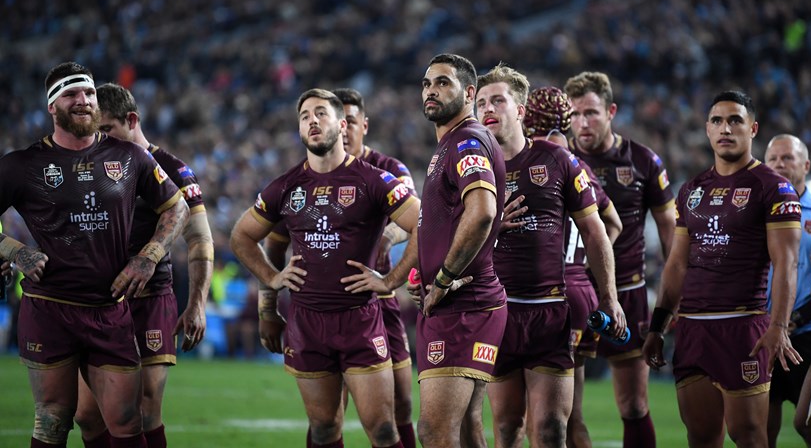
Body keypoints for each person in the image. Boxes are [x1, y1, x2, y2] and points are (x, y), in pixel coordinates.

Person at [0, 62, 189, 448]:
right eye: (70, 94)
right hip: (49, 308)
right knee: (53, 419)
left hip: (109, 309)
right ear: (52, 106)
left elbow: (177, 207)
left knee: (126, 420)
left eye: (88, 93)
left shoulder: (131, 157)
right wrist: (14, 250)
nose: (83, 100)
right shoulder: (22, 165)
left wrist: (149, 256)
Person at [229, 88, 420, 448]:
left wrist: (391, 281)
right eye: (304, 116)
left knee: (383, 428)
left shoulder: (374, 179)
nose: (312, 121)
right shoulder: (286, 186)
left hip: (360, 319)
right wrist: (271, 280)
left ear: (342, 125)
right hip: (307, 323)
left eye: (320, 113)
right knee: (323, 429)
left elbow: (422, 223)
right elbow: (243, 236)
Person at [342, 53, 508, 448]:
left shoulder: (465, 141)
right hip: (461, 303)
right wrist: (419, 275)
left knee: (434, 431)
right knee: (467, 429)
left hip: (464, 306)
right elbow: (441, 227)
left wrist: (444, 278)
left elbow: (482, 212)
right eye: (427, 83)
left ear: (469, 93)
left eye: (443, 83)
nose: (431, 91)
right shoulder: (451, 144)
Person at [643, 90, 803, 447]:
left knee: (749, 437)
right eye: (717, 121)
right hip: (693, 331)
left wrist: (778, 325)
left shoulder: (774, 188)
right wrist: (658, 326)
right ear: (707, 129)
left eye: (735, 121)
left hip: (743, 328)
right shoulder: (691, 190)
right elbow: (677, 264)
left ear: (753, 129)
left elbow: (787, 262)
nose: (725, 128)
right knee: (701, 437)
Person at [475, 66, 625, 447]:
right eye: (481, 102)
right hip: (496, 312)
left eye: (497, 100)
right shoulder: (471, 166)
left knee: (552, 429)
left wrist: (609, 297)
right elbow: (448, 239)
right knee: (508, 428)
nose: (487, 108)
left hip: (549, 312)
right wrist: (490, 227)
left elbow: (597, 230)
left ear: (521, 111)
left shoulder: (558, 159)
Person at [72, 82, 214, 448]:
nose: (100, 139)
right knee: (87, 415)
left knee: (144, 408)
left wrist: (197, 303)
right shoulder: (88, 165)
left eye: (108, 129)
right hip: (97, 302)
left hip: (148, 300)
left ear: (132, 120)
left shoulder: (174, 170)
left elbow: (200, 240)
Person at [564, 71, 675, 447]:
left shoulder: (643, 161)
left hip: (627, 293)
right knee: (566, 413)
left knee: (634, 405)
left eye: (591, 113)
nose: (582, 122)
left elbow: (670, 233)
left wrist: (674, 297)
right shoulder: (559, 159)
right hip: (575, 293)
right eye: (575, 114)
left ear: (611, 112)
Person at [522, 86, 623, 448]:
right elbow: (612, 223)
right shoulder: (577, 165)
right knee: (569, 416)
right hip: (580, 289)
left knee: (528, 419)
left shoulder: (523, 161)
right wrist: (584, 260)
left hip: (540, 292)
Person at [764, 133, 811, 448]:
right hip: (763, 333)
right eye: (772, 159)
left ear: (806, 165)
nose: (779, 164)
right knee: (758, 428)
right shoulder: (755, 213)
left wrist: (795, 319)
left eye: (787, 158)